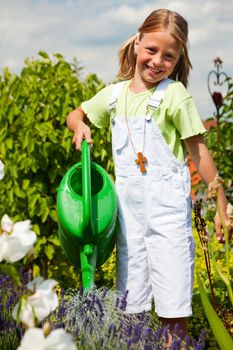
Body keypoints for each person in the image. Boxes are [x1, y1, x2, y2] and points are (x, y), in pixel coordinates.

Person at [66, 8, 229, 345]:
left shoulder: (174, 96)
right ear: (138, 41)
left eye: (168, 56)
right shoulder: (113, 97)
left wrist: (220, 198)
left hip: (167, 220)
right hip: (130, 222)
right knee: (132, 309)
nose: (157, 61)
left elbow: (198, 150)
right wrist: (79, 125)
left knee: (173, 311)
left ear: (178, 58)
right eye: (152, 50)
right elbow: (76, 114)